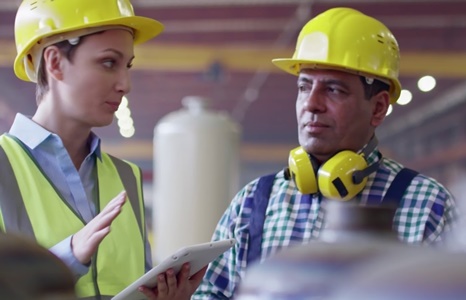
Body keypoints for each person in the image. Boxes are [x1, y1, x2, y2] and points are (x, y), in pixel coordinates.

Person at [192, 7, 457, 299]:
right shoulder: (253, 203)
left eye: (333, 90)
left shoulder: (428, 206)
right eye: (304, 87)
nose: (312, 104)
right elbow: (210, 293)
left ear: (378, 107)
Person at [0, 0, 205, 299]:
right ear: (55, 63)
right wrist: (68, 256)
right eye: (109, 62)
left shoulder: (127, 176)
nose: (125, 84)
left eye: (128, 66)